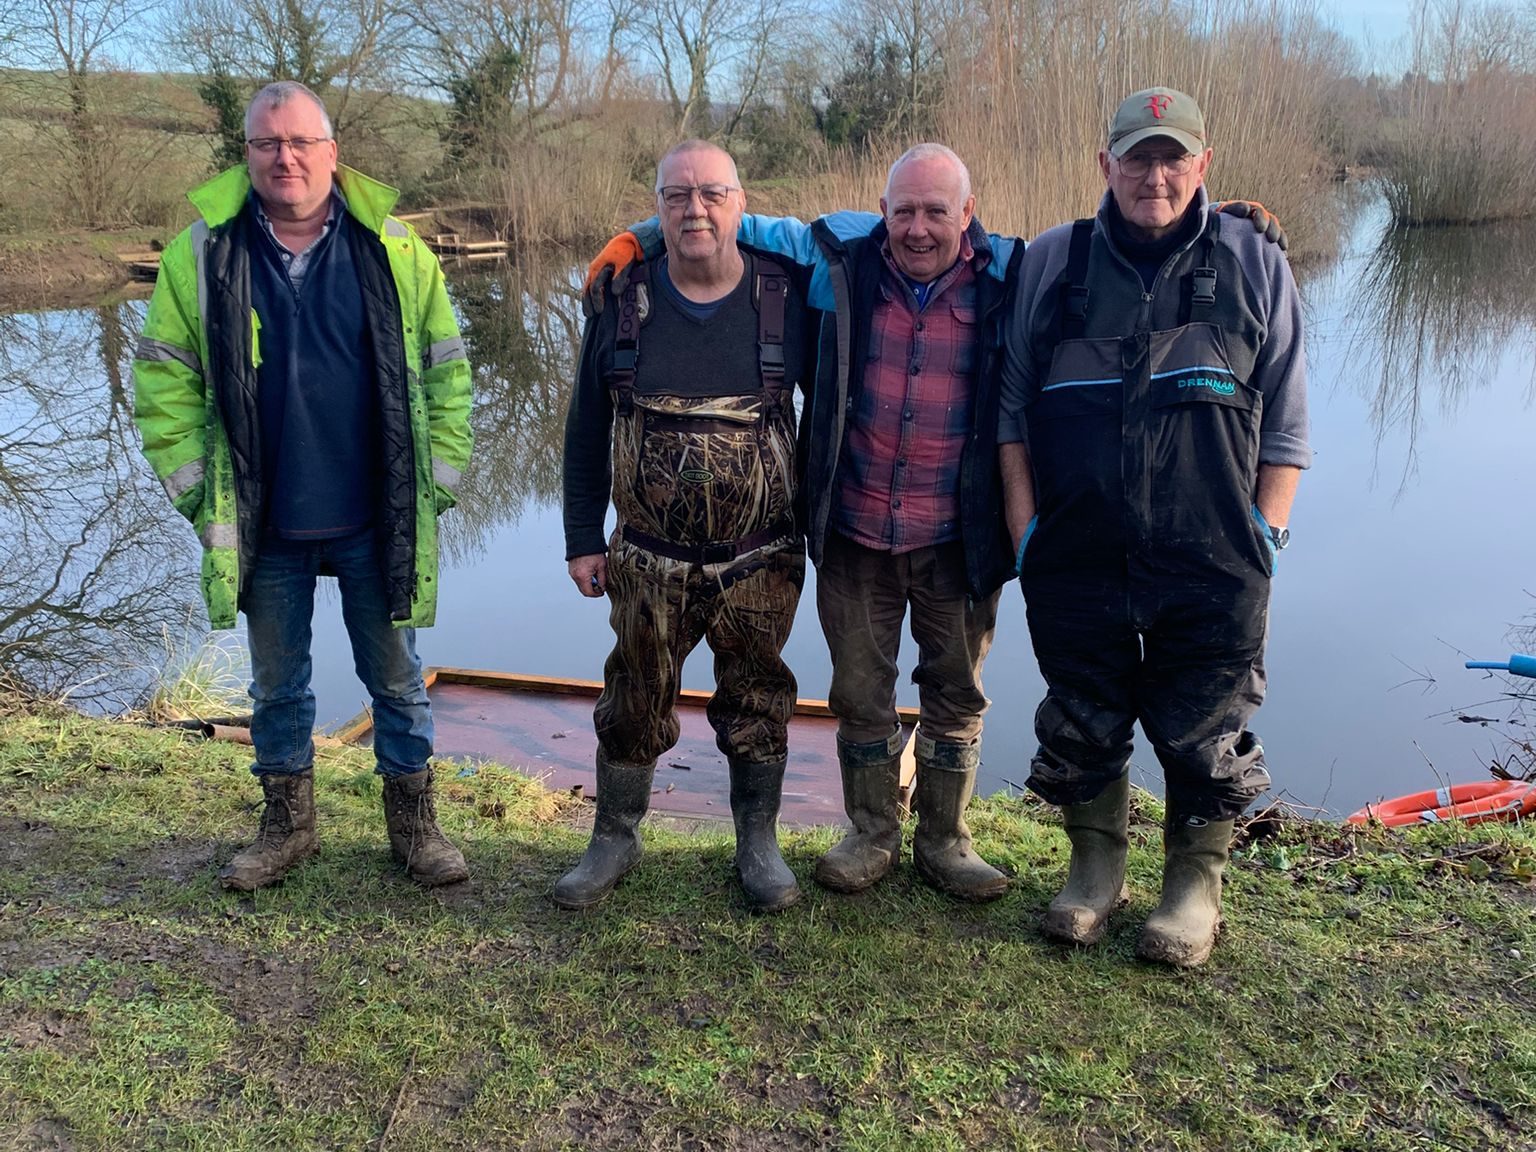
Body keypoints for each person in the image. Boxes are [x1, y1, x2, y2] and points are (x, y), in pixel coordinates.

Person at [589, 144, 1024, 902]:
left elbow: (1106, 252)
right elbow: (721, 215)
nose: (918, 228)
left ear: (969, 212)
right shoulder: (840, 262)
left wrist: (1222, 224)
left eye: (937, 212)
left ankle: (946, 843)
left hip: (961, 537)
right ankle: (871, 836)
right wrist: (638, 236)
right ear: (882, 212)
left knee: (956, 694)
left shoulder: (1014, 275)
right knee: (858, 693)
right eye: (904, 211)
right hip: (855, 530)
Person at [132, 81, 474, 891]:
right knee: (276, 686)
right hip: (264, 517)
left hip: (376, 513)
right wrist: (199, 495)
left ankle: (415, 829)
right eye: (266, 143)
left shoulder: (393, 249)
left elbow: (447, 373)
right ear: (247, 153)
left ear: (331, 151)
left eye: (300, 142)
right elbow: (163, 384)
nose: (284, 158)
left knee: (397, 679)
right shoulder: (203, 254)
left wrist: (435, 487)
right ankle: (287, 828)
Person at [999, 87, 1311, 966]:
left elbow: (1287, 424)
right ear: (1107, 164)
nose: (1156, 176)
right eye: (1138, 157)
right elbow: (1011, 413)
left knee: (1205, 730)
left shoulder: (1253, 259)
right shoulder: (1052, 262)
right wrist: (1026, 536)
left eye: (1174, 158)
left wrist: (1266, 538)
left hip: (1215, 556)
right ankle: (1095, 872)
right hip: (1076, 552)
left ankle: (1192, 889)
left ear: (1203, 164)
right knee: (1082, 717)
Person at [557, 140, 813, 913]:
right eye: (676, 196)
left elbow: (833, 416)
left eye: (712, 194)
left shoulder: (788, 294)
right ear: (657, 209)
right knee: (633, 697)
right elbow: (585, 426)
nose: (694, 209)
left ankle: (758, 843)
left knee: (758, 698)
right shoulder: (620, 296)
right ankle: (615, 836)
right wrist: (581, 538)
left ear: (742, 203)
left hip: (760, 559)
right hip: (646, 559)